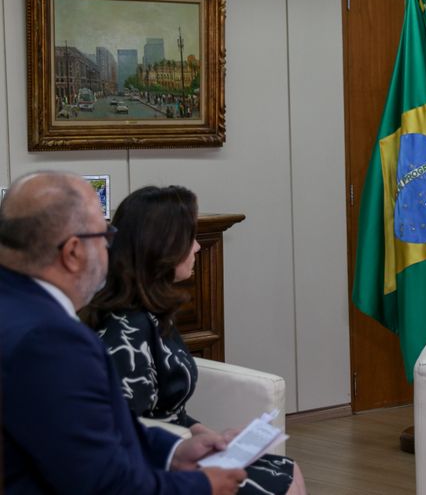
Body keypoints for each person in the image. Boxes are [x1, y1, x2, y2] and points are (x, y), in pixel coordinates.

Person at [0, 171, 246, 494]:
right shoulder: (52, 341)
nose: (109, 250)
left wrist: (172, 451)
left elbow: (91, 429)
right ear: (73, 252)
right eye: (105, 236)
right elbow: (106, 485)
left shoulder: (17, 309)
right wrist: (202, 486)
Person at [81, 185, 306, 495]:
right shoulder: (128, 330)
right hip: (152, 467)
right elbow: (124, 432)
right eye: (191, 238)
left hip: (176, 446)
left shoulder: (153, 311)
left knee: (287, 468)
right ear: (163, 247)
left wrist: (215, 438)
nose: (199, 247)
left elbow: (169, 411)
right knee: (281, 483)